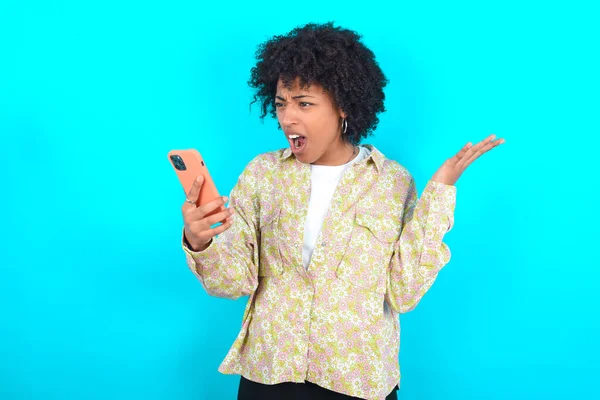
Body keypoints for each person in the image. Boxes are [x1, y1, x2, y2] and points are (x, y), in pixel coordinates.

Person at [180, 22, 504, 400]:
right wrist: (200, 242)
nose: (287, 118)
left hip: (356, 382)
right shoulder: (263, 174)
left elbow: (404, 293)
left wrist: (440, 192)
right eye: (282, 104)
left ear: (344, 106)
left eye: (304, 103)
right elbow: (232, 282)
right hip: (269, 374)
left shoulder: (392, 182)